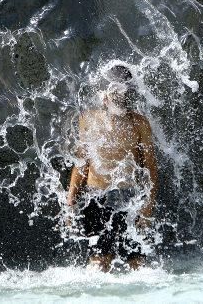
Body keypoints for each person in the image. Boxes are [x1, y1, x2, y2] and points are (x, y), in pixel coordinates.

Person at [66, 65, 159, 272]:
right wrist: (71, 200)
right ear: (105, 95)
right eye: (117, 95)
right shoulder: (88, 120)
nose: (122, 100)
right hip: (96, 198)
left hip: (129, 199)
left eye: (126, 95)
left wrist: (147, 207)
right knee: (99, 262)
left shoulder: (138, 124)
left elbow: (150, 167)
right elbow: (82, 163)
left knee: (137, 264)